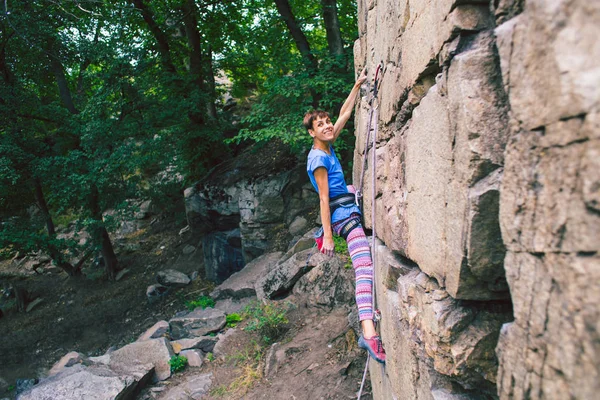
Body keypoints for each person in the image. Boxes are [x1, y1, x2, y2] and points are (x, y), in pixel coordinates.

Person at [304, 69, 386, 364]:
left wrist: (357, 85)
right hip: (341, 215)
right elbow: (324, 199)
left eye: (326, 122)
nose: (327, 126)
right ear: (312, 133)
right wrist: (327, 235)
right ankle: (369, 333)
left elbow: (345, 113)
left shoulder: (327, 143)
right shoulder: (318, 158)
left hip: (346, 207)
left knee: (364, 263)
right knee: (363, 266)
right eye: (320, 125)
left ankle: (368, 326)